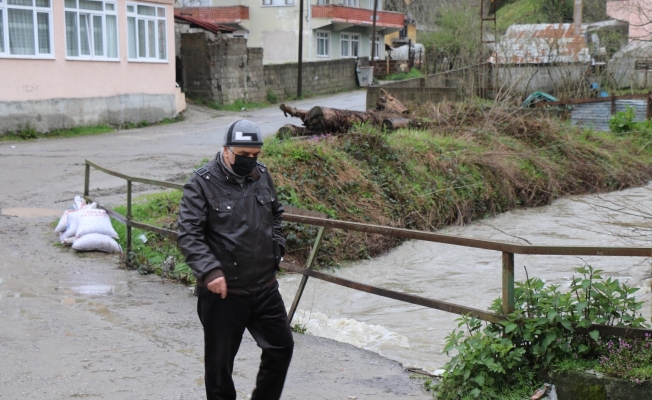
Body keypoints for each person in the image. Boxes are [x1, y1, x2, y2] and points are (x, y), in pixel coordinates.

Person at [177, 120, 294, 400]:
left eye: (255, 155)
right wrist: (210, 271)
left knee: (282, 347)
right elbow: (188, 234)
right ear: (226, 150)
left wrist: (276, 247)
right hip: (224, 293)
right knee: (219, 368)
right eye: (243, 155)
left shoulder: (261, 175)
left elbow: (276, 215)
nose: (250, 161)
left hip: (264, 287)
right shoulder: (201, 183)